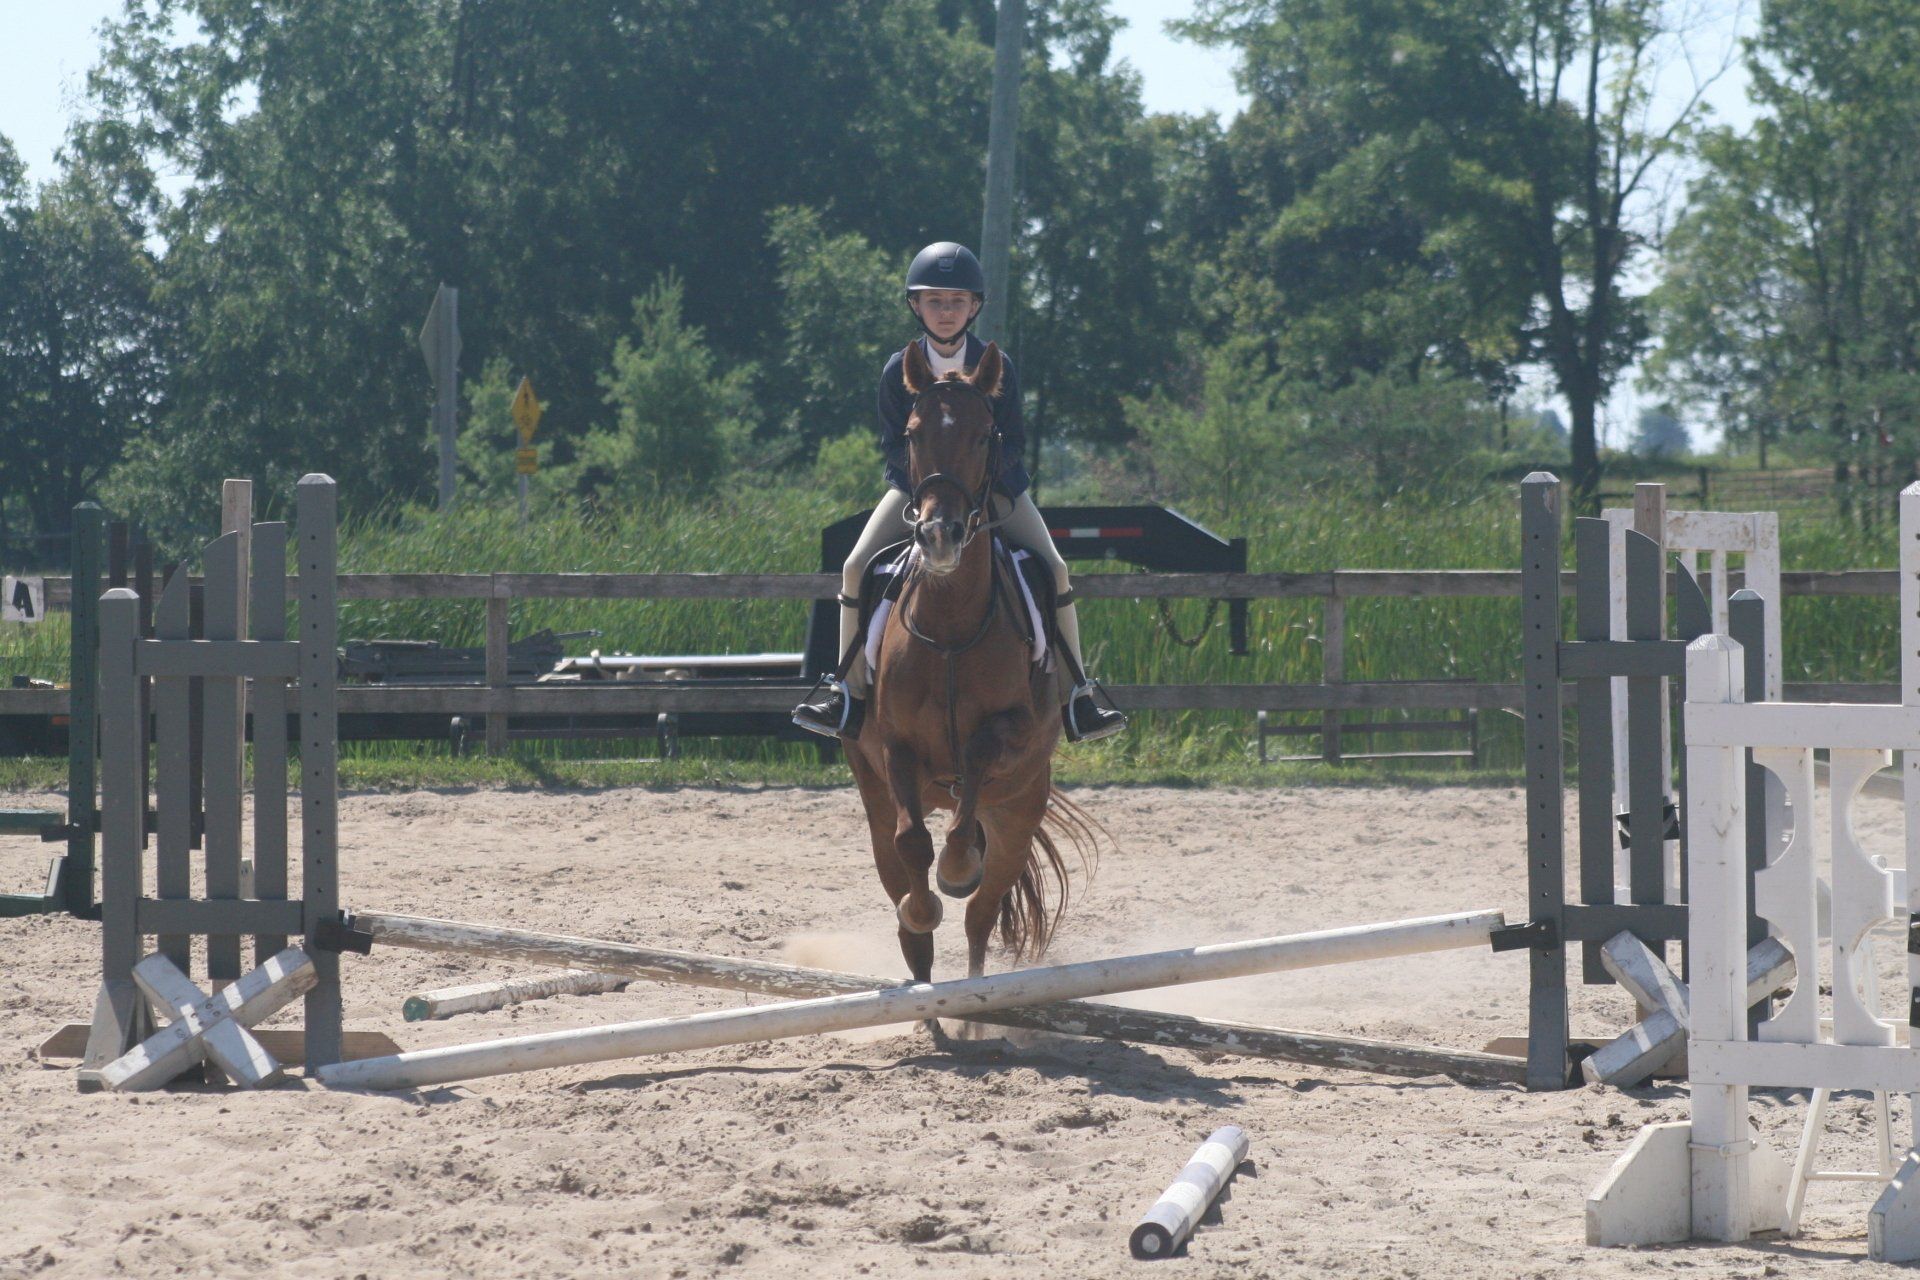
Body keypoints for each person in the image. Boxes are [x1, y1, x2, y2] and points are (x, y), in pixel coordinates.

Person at [792, 241, 1127, 744]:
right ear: (915, 305)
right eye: (934, 301)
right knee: (855, 566)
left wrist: (976, 487)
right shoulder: (896, 370)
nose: (945, 312)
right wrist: (929, 492)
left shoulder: (998, 366)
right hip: (919, 494)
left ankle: (1078, 694)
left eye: (956, 302)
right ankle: (846, 691)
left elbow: (1012, 442)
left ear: (974, 307)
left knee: (1054, 568)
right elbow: (891, 445)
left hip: (993, 493)